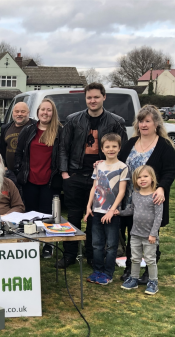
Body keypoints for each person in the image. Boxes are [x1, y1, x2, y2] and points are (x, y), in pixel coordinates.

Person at [58, 82, 128, 269]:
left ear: (104, 97)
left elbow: (122, 151)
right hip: (75, 175)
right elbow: (63, 147)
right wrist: (65, 173)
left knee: (94, 218)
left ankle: (91, 255)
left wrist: (110, 168)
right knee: (73, 216)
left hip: (101, 178)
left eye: (96, 97)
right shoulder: (73, 120)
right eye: (89, 97)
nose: (93, 100)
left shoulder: (116, 122)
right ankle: (70, 254)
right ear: (85, 99)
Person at [118, 105, 175, 284]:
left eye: (147, 121)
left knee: (150, 236)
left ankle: (149, 271)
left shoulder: (165, 146)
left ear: (156, 123)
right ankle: (130, 267)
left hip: (150, 199)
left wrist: (162, 188)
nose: (143, 125)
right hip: (128, 197)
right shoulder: (131, 142)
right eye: (141, 121)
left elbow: (169, 171)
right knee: (130, 234)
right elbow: (118, 163)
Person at [14, 98, 62, 259]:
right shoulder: (28, 130)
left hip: (50, 181)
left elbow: (63, 155)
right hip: (30, 180)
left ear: (53, 113)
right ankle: (32, 243)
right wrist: (19, 171)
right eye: (43, 109)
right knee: (30, 214)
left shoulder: (60, 131)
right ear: (38, 112)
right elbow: (18, 153)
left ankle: (48, 245)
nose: (45, 113)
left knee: (47, 215)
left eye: (49, 110)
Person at [83, 133, 130, 285]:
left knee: (111, 245)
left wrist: (112, 210)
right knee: (96, 244)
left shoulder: (122, 167)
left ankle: (108, 273)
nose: (111, 149)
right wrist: (89, 206)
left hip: (112, 214)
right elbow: (94, 187)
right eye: (107, 147)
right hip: (96, 211)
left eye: (114, 146)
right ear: (102, 149)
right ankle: (97, 270)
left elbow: (122, 192)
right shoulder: (99, 166)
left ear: (119, 148)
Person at [118, 165, 162, 295]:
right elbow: (131, 210)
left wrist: (153, 234)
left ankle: (153, 281)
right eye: (139, 177)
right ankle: (133, 278)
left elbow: (158, 218)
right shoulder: (135, 195)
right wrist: (119, 213)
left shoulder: (156, 196)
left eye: (145, 176)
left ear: (152, 178)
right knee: (135, 258)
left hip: (149, 235)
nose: (142, 179)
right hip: (135, 233)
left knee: (150, 259)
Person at [0, 102, 35, 171]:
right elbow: (1, 149)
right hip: (9, 172)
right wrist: (3, 165)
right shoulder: (5, 128)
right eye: (16, 111)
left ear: (28, 113)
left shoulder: (35, 127)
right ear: (12, 113)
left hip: (28, 173)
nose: (19, 114)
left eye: (23, 112)